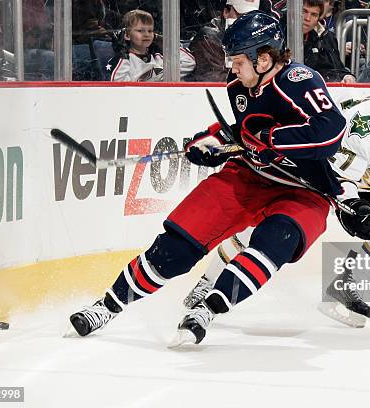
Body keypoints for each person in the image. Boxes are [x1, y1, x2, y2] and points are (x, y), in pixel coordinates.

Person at [68, 11, 351, 346]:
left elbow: (331, 131)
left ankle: (207, 310)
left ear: (263, 59)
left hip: (303, 190)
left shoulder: (298, 80)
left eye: (238, 61)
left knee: (274, 241)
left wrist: (272, 139)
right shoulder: (239, 87)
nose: (232, 68)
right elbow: (240, 133)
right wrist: (212, 141)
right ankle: (107, 306)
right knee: (176, 248)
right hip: (249, 175)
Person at [184, 81, 370, 328]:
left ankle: (346, 282)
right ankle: (209, 279)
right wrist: (356, 210)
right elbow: (340, 183)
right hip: (327, 163)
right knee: (277, 223)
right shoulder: (366, 126)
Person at [106, 9, 195, 81]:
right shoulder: (122, 62)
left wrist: (160, 40)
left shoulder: (159, 59)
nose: (146, 35)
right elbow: (118, 88)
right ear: (127, 35)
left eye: (150, 31)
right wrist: (123, 54)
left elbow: (189, 63)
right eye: (140, 31)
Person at [185, 0, 261, 82]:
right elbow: (214, 79)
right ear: (226, 12)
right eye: (241, 16)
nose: (245, 22)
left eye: (251, 17)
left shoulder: (259, 38)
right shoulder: (209, 38)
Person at [301, 0, 356, 83]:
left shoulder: (326, 35)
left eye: (314, 15)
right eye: (304, 11)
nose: (307, 18)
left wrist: (346, 76)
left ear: (318, 18)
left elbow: (335, 68)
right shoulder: (279, 31)